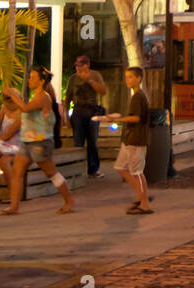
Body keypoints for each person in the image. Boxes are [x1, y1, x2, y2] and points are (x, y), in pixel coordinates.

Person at [1, 67, 75, 215]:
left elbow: (25, 108)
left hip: (40, 143)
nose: (29, 80)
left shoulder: (44, 97)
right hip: (27, 141)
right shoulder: (36, 96)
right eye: (30, 77)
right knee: (17, 171)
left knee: (51, 173)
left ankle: (69, 201)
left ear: (41, 81)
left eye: (33, 77)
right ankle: (14, 206)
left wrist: (12, 95)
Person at [96, 66, 153, 214]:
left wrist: (119, 119)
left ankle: (144, 203)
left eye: (131, 77)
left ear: (138, 79)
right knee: (120, 167)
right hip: (129, 139)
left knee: (137, 172)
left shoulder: (138, 96)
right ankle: (140, 196)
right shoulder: (135, 96)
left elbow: (136, 118)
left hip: (136, 139)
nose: (127, 80)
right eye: (126, 77)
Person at [63, 55, 107, 176]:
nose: (78, 68)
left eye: (81, 65)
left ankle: (93, 169)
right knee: (78, 142)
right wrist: (66, 117)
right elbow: (67, 98)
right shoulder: (73, 79)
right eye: (77, 66)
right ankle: (77, 170)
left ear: (87, 65)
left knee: (92, 141)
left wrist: (90, 81)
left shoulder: (95, 75)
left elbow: (103, 91)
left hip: (92, 111)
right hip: (78, 111)